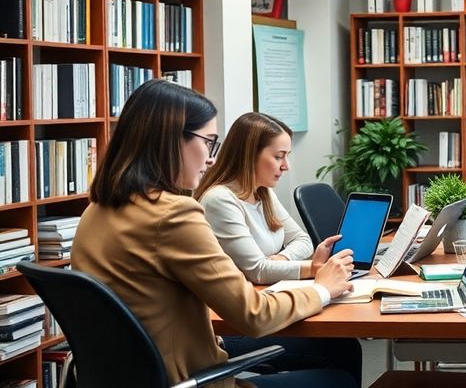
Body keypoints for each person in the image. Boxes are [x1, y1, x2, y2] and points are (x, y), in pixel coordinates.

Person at [72, 79, 359, 388]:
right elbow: (254, 314)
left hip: (130, 377)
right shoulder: (174, 214)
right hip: (184, 380)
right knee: (338, 375)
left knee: (337, 350)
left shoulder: (95, 210)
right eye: (208, 141)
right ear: (171, 141)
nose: (211, 157)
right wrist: (323, 289)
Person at [194, 111, 362, 381]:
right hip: (232, 325)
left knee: (344, 346)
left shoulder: (263, 192)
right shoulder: (220, 200)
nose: (286, 166)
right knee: (341, 351)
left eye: (287, 156)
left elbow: (303, 240)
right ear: (249, 155)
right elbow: (257, 271)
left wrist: (280, 261)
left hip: (265, 301)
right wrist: (311, 269)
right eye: (278, 156)